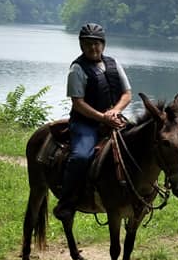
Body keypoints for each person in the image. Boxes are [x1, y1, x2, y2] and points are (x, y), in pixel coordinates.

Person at [53, 23, 132, 220]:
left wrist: (115, 111)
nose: (93, 48)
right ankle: (66, 202)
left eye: (96, 43)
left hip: (113, 119)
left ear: (103, 44)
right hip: (85, 124)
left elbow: (127, 94)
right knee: (81, 156)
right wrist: (102, 117)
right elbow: (78, 103)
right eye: (88, 44)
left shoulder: (114, 63)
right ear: (81, 45)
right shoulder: (77, 69)